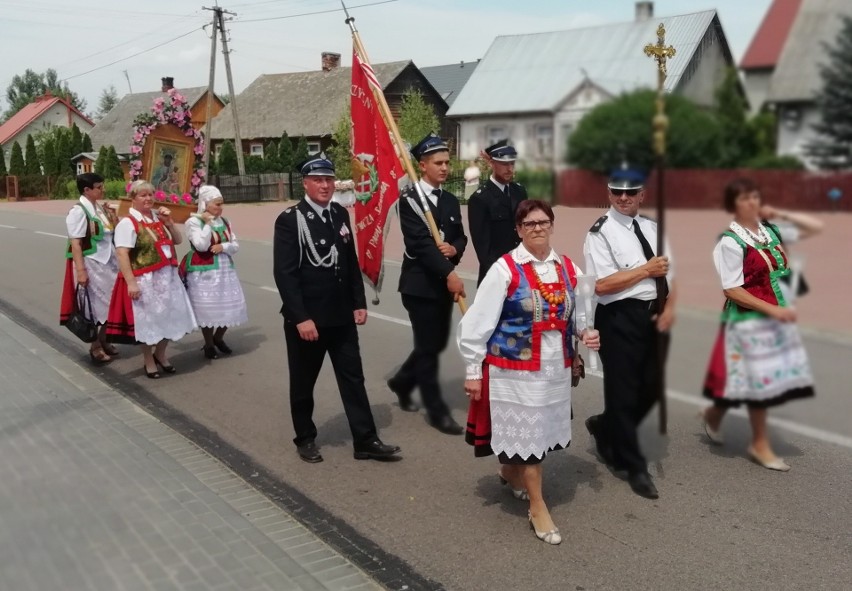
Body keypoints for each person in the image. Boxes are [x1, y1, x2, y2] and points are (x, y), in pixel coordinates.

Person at [458, 200, 600, 545]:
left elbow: (580, 310)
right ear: (519, 230)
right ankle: (538, 506)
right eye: (528, 223)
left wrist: (586, 332)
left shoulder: (568, 268)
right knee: (531, 440)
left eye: (543, 221)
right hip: (515, 371)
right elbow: (476, 323)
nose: (537, 228)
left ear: (551, 225)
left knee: (539, 433)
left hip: (554, 369)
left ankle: (509, 471)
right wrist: (473, 370)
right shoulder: (504, 269)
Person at [273, 153, 400, 464]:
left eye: (329, 179)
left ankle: (365, 439)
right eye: (318, 179)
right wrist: (301, 317)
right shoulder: (291, 219)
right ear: (305, 183)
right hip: (309, 320)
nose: (325, 185)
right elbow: (285, 274)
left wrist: (358, 302)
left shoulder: (340, 216)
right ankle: (305, 437)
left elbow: (349, 263)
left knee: (353, 378)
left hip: (341, 315)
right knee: (304, 382)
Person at [699, 178, 816, 471]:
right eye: (743, 199)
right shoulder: (731, 241)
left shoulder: (771, 230)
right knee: (759, 383)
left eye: (754, 196)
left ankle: (713, 414)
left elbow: (814, 228)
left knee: (747, 379)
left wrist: (782, 215)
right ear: (732, 206)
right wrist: (772, 311)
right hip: (747, 317)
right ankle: (759, 443)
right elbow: (731, 289)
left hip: (775, 315)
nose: (751, 203)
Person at [582, 164, 676, 500]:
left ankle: (605, 426)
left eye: (631, 193)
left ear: (642, 195)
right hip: (620, 318)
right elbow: (603, 285)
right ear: (609, 194)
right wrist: (646, 270)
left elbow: (671, 275)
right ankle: (633, 465)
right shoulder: (600, 232)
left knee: (651, 389)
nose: (624, 198)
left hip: (654, 316)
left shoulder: (653, 227)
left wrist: (670, 308)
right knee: (623, 393)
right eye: (617, 192)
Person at [387, 133, 468, 435]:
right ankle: (437, 412)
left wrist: (454, 249)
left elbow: (460, 235)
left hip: (442, 285)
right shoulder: (410, 201)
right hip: (419, 286)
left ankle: (402, 381)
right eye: (438, 163)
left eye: (447, 162)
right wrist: (449, 273)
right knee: (429, 349)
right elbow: (419, 244)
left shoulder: (448, 199)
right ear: (422, 165)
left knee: (432, 344)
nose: (445, 167)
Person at [106, 180, 197, 378]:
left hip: (167, 276)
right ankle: (149, 360)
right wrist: (131, 282)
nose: (148, 199)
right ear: (133, 199)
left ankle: (161, 354)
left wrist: (170, 223)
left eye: (150, 195)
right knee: (149, 321)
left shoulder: (158, 218)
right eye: (142, 195)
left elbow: (178, 240)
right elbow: (122, 254)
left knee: (170, 316)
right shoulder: (127, 223)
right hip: (145, 278)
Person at [60, 173, 120, 363]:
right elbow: (76, 243)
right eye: (99, 187)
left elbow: (112, 233)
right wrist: (81, 271)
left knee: (113, 302)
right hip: (91, 263)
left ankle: (103, 339)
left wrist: (114, 217)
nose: (103, 190)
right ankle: (95, 345)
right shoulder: (79, 211)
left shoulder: (100, 208)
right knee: (94, 305)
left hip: (108, 262)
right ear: (86, 190)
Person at [182, 185, 248, 359]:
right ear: (205, 204)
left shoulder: (225, 222)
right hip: (204, 271)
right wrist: (207, 224)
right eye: (216, 204)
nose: (220, 208)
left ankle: (218, 338)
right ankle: (209, 343)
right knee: (208, 309)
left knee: (231, 306)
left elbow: (235, 245)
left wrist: (224, 246)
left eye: (221, 204)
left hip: (225, 269)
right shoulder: (193, 222)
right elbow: (201, 245)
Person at [467, 139, 528, 285]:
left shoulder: (519, 191)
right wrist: (503, 275)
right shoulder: (480, 199)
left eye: (512, 163)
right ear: (491, 163)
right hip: (496, 275)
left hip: (522, 271)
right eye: (504, 164)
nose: (509, 168)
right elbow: (483, 248)